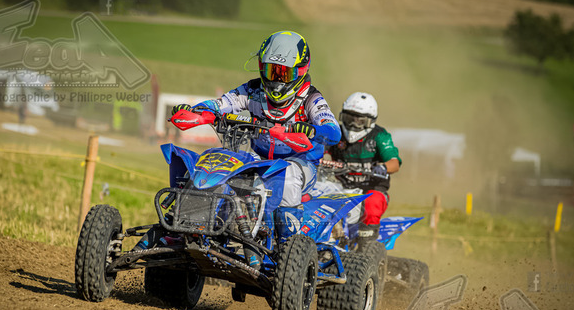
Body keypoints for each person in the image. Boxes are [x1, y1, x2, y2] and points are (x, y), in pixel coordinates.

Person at [171, 30, 341, 218]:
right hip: (259, 160)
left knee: (287, 178)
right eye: (271, 71)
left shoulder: (312, 99)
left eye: (283, 73)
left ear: (301, 71)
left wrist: (312, 130)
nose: (276, 80)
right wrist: (195, 110)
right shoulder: (252, 90)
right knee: (218, 166)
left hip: (301, 163)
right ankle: (201, 220)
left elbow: (333, 131)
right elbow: (221, 104)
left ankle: (288, 234)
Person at [327, 92, 401, 247]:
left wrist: (383, 167)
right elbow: (319, 151)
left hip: (370, 189)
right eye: (349, 119)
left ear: (370, 121)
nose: (353, 125)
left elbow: (394, 162)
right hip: (339, 186)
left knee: (373, 203)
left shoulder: (379, 136)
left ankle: (366, 247)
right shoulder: (336, 133)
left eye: (359, 121)